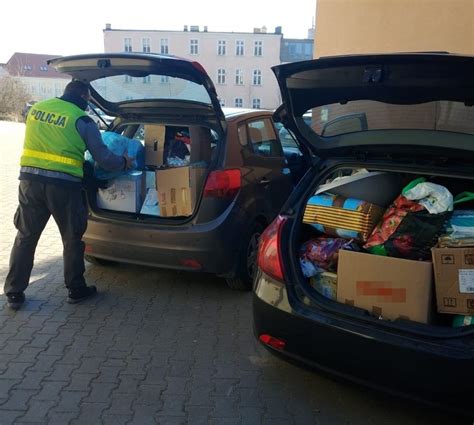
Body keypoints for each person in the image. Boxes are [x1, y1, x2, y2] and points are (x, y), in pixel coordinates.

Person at [4, 80, 134, 310]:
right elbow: (104, 158)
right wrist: (125, 162)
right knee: (72, 238)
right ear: (85, 97)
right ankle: (76, 288)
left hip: (30, 183)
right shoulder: (82, 120)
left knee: (25, 236)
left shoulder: (36, 110)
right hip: (64, 186)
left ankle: (14, 292)